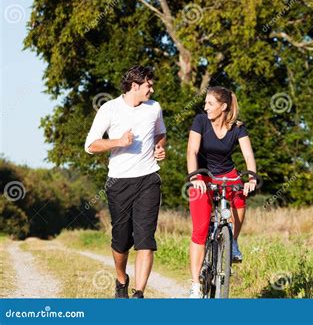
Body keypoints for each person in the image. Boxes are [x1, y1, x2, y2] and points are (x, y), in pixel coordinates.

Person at [84, 65, 166, 299]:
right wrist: (118, 142)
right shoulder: (110, 109)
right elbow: (90, 145)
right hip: (119, 182)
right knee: (121, 241)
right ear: (135, 86)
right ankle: (121, 279)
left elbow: (161, 134)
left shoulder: (154, 108)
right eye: (149, 84)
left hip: (148, 179)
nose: (152, 88)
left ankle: (139, 294)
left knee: (145, 240)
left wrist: (160, 147)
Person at [186, 86, 257, 298]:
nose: (205, 107)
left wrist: (251, 177)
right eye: (205, 103)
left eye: (210, 103)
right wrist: (194, 177)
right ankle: (196, 284)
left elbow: (248, 154)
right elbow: (192, 151)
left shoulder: (237, 127)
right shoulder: (200, 121)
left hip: (227, 174)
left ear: (223, 106)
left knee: (240, 198)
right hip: (203, 174)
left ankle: (232, 241)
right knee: (199, 230)